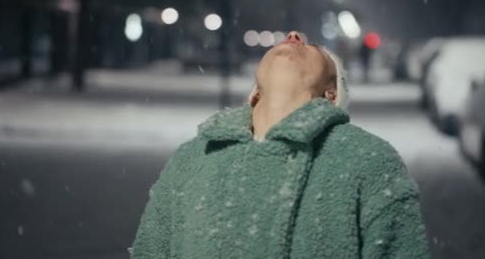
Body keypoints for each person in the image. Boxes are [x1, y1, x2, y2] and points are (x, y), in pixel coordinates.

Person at [130, 31, 430, 258]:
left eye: (312, 49)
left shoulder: (368, 159)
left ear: (331, 93)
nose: (293, 36)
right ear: (255, 93)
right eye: (284, 41)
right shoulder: (193, 157)